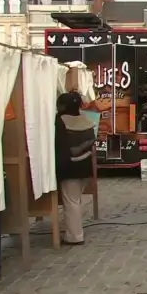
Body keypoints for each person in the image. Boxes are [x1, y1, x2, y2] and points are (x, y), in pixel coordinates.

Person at [54, 92, 96, 246]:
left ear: (63, 106)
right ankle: (73, 232)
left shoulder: (60, 122)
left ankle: (74, 236)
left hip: (69, 168)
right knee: (76, 200)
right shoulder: (87, 121)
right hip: (85, 167)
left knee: (71, 202)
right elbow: (91, 141)